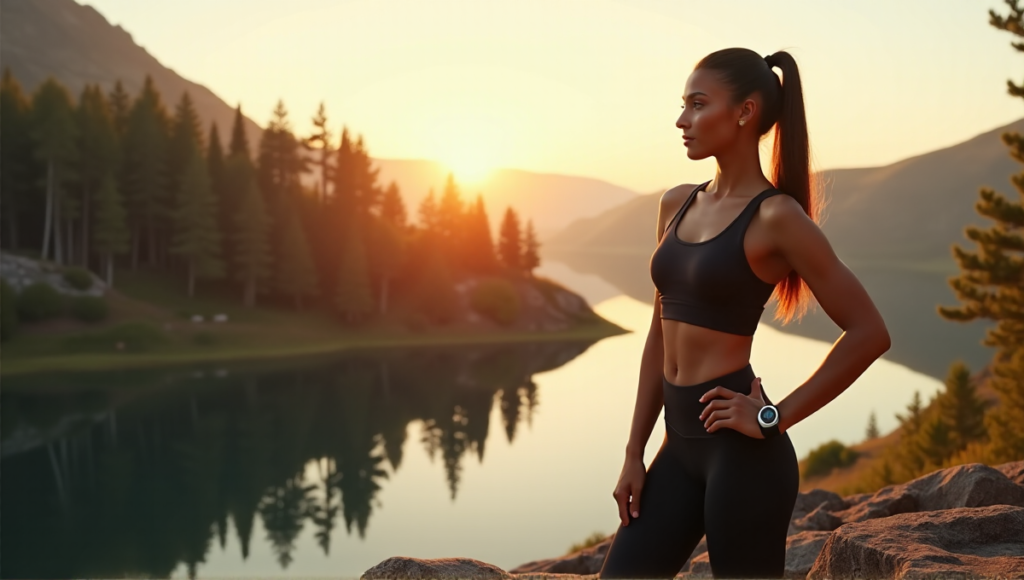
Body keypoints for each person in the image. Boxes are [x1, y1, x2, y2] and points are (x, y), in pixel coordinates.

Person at [597, 48, 891, 579]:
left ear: (744, 112)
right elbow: (658, 338)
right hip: (676, 448)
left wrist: (774, 417)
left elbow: (869, 332)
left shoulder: (777, 216)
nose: (682, 120)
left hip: (744, 457)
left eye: (697, 104)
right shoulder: (677, 202)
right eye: (683, 105)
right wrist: (634, 452)